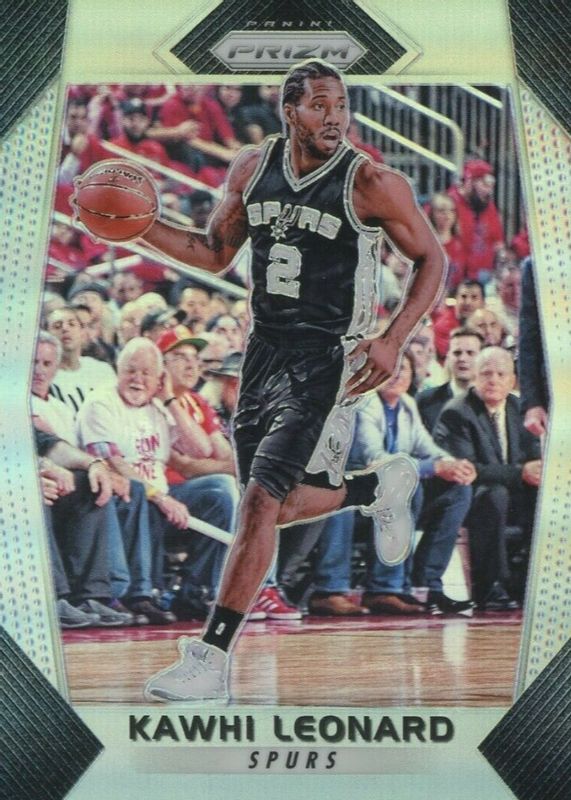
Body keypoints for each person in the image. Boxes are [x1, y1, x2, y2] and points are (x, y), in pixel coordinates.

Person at [79, 60, 445, 702]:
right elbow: (214, 252)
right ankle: (376, 486)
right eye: (320, 105)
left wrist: (392, 338)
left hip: (330, 356)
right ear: (290, 110)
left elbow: (432, 259)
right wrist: (142, 227)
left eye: (341, 105)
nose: (335, 117)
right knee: (273, 507)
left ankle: (210, 658)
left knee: (257, 505)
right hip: (264, 351)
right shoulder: (251, 167)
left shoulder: (370, 181)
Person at [433, 347, 541, 609]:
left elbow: (533, 456)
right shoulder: (457, 412)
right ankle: (491, 586)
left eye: (501, 374)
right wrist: (521, 473)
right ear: (475, 377)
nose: (493, 380)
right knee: (495, 494)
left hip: (515, 493)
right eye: (486, 374)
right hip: (467, 495)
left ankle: (533, 584)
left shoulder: (520, 409)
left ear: (512, 381)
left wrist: (538, 470)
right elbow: (470, 469)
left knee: (545, 496)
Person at [417, 327, 484, 433]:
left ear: (483, 358)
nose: (462, 359)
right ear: (448, 356)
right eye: (457, 353)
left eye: (470, 353)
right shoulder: (424, 401)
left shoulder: (494, 400)